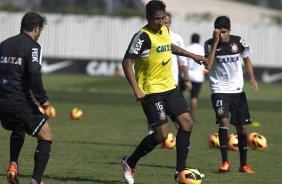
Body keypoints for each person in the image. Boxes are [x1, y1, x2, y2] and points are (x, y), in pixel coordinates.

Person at [121, 1, 208, 183]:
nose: (161, 22)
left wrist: (194, 56)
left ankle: (179, 172)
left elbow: (170, 47)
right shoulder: (142, 37)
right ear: (147, 18)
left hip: (169, 87)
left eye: (163, 18)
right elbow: (127, 62)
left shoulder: (164, 30)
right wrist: (136, 88)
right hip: (151, 92)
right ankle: (130, 162)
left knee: (187, 124)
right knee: (162, 136)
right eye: (157, 19)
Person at [0, 12, 53, 184]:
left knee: (18, 126)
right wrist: (43, 100)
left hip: (3, 101)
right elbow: (34, 72)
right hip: (19, 100)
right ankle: (36, 180)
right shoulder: (33, 47)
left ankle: (13, 164)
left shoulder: (4, 44)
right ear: (37, 29)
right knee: (46, 135)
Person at [204, 16, 258, 174]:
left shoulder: (239, 41)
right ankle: (225, 162)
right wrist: (215, 43)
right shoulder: (209, 43)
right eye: (218, 32)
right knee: (223, 120)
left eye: (224, 32)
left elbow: (247, 59)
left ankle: (244, 165)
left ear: (229, 30)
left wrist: (252, 78)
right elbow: (208, 65)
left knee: (241, 127)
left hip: (237, 91)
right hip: (219, 89)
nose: (221, 35)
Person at [147, 12, 186, 134]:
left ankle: (179, 136)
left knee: (175, 114)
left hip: (172, 81)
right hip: (156, 83)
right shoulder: (151, 36)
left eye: (166, 22)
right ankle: (151, 133)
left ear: (170, 23)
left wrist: (187, 79)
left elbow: (182, 60)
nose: (164, 24)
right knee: (156, 112)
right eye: (163, 21)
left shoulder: (177, 38)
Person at [180, 33, 205, 121]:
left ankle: (179, 115)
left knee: (180, 95)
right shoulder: (202, 50)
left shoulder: (187, 49)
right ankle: (192, 117)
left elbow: (182, 63)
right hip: (198, 76)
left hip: (186, 75)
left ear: (191, 39)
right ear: (199, 40)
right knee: (194, 97)